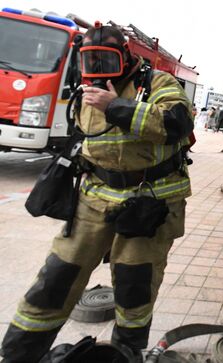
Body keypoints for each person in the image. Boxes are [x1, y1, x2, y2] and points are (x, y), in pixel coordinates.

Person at [0, 23, 194, 362]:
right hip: (94, 198)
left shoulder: (157, 83)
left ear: (126, 57)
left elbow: (177, 123)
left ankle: (127, 351)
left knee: (136, 282)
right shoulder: (84, 92)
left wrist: (116, 106)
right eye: (92, 61)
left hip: (149, 203)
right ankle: (19, 352)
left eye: (106, 60)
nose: (99, 70)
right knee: (58, 276)